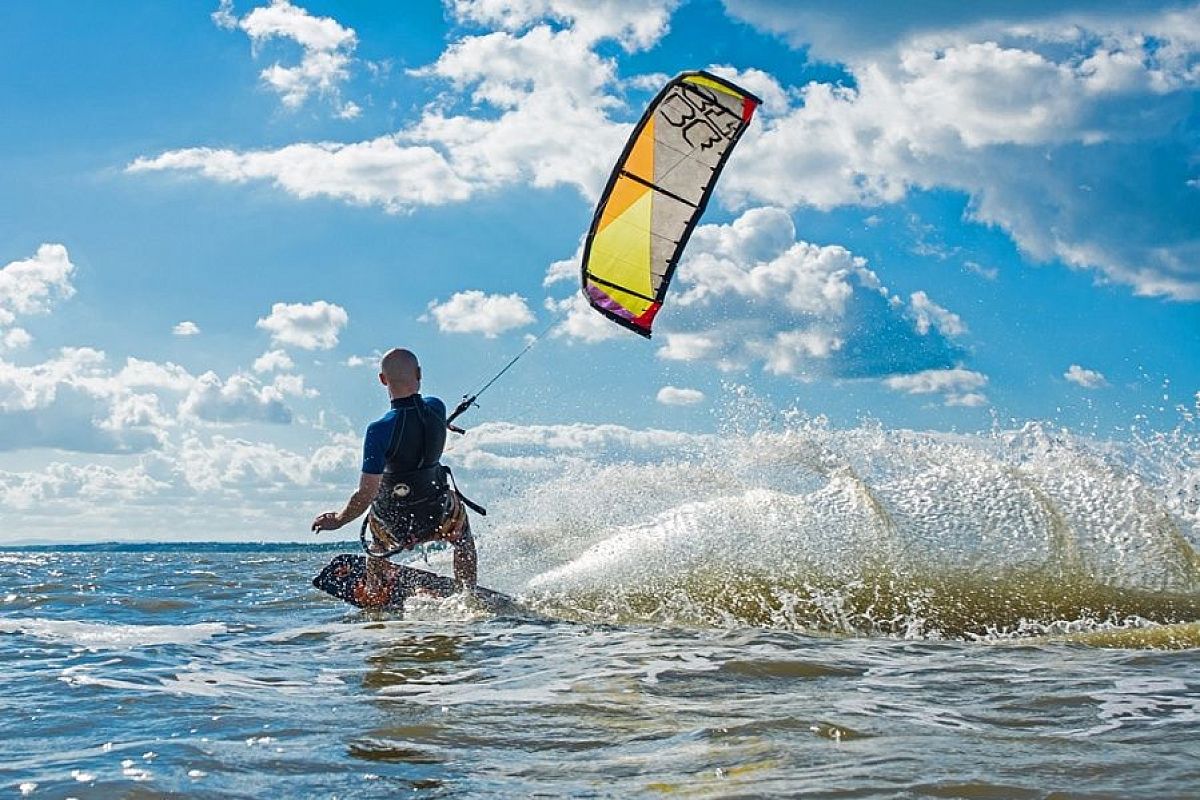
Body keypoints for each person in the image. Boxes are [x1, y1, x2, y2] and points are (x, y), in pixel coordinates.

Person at [311, 348, 477, 592]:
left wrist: (337, 519)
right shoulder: (437, 408)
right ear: (419, 374)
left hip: (393, 524)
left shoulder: (378, 430)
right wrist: (440, 427)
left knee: (377, 546)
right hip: (437, 514)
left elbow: (365, 494)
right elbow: (422, 418)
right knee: (462, 537)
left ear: (382, 380)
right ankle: (467, 594)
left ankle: (374, 593)